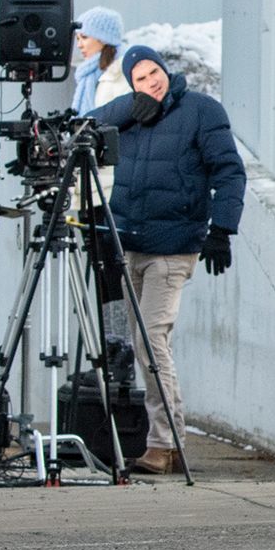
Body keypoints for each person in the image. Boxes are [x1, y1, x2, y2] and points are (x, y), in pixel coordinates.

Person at [90, 44, 243, 476]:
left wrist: (222, 230)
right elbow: (88, 126)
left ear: (165, 70)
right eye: (139, 78)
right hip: (130, 244)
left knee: (152, 340)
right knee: (144, 344)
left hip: (173, 247)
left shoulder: (201, 110)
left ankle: (161, 444)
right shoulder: (131, 115)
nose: (150, 82)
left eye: (154, 72)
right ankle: (170, 441)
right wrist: (129, 106)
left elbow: (229, 171)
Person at [72, 5, 129, 114]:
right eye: (77, 38)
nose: (79, 45)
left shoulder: (121, 70)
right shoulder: (90, 73)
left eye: (84, 37)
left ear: (103, 38)